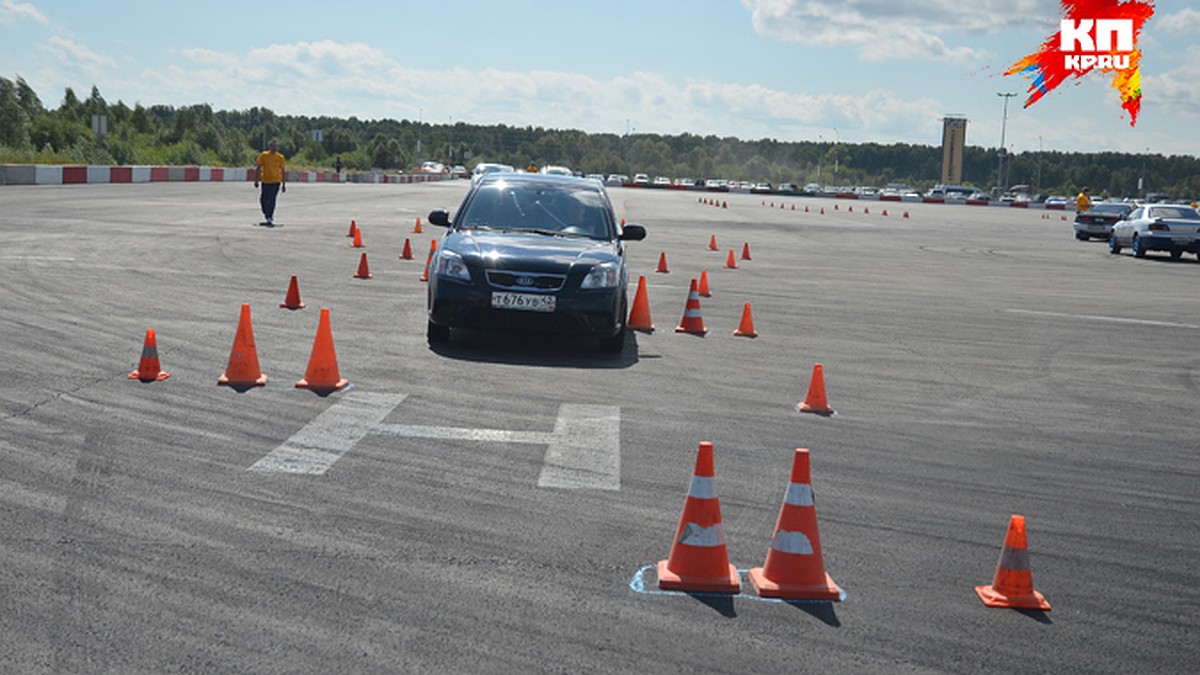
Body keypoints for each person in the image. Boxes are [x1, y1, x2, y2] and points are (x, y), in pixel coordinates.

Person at [254, 139, 286, 225]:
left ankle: (270, 216)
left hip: (275, 182)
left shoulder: (280, 157)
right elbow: (258, 167)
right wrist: (256, 180)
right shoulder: (264, 155)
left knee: (272, 199)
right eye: (272, 146)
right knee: (263, 200)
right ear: (269, 147)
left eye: (275, 146)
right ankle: (266, 213)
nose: (274, 148)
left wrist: (283, 184)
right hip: (265, 181)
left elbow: (282, 170)